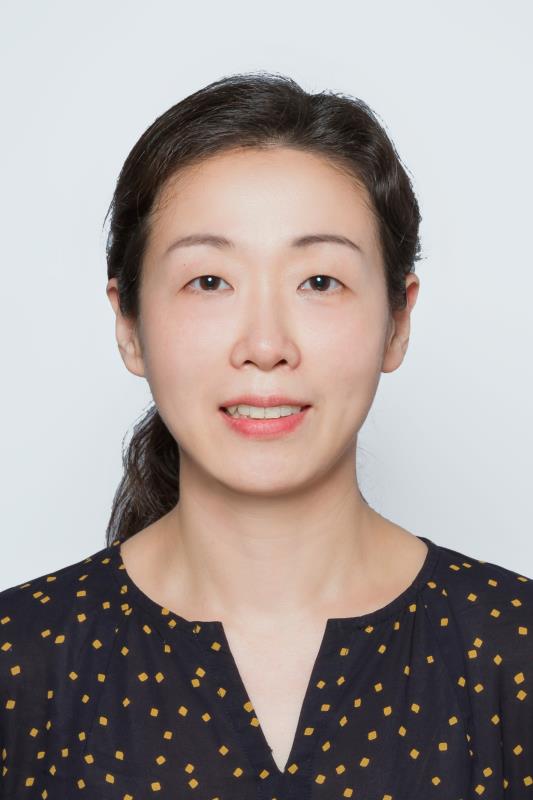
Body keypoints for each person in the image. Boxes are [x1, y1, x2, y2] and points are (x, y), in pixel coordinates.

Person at [1, 71, 532, 799]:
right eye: (209, 282)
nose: (264, 345)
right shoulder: (20, 659)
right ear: (129, 325)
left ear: (397, 320)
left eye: (319, 282)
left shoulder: (515, 649)